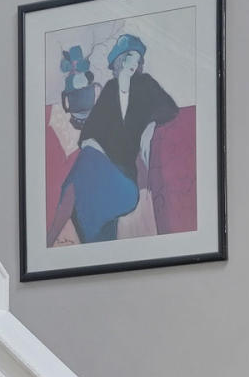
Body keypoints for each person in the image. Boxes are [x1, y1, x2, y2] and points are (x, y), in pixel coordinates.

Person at [51, 32, 179, 244]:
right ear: (119, 60)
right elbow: (88, 135)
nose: (134, 62)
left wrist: (149, 123)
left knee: (84, 169)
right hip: (101, 168)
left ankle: (51, 236)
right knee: (87, 163)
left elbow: (170, 109)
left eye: (138, 58)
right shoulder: (110, 89)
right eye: (129, 56)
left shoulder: (146, 84)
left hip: (125, 178)